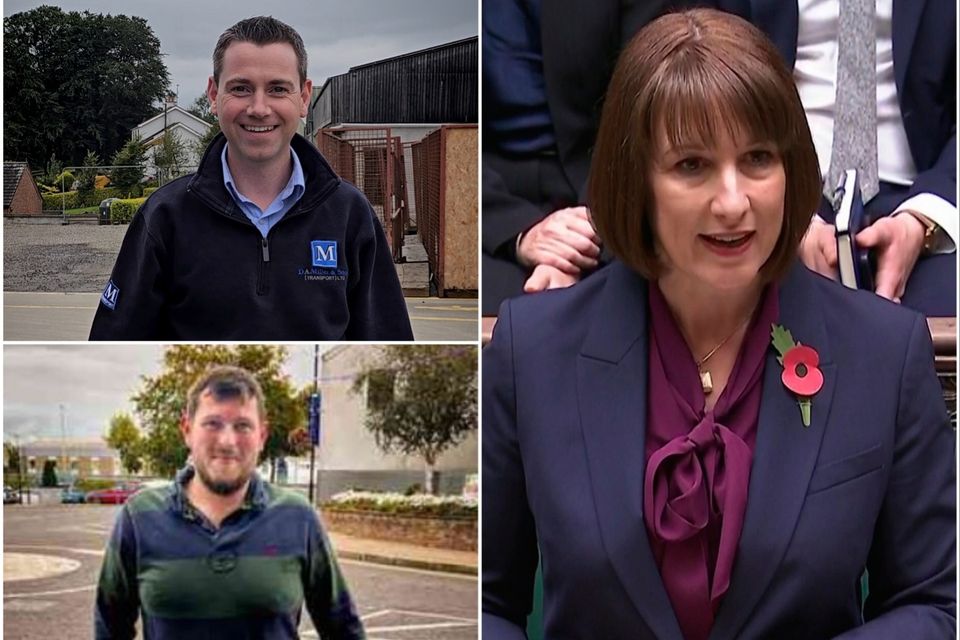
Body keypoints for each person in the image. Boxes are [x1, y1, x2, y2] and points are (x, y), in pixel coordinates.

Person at [483, 10, 954, 640]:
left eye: (758, 159)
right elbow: (485, 603)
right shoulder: (531, 349)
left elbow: (933, 606)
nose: (733, 202)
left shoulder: (886, 351)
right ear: (637, 180)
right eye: (692, 166)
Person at [89, 16, 413, 340]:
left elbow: (389, 354)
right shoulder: (164, 218)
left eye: (277, 89)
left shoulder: (350, 216)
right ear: (214, 95)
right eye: (241, 88)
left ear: (303, 97)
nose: (259, 108)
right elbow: (112, 350)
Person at [713, 0, 956, 316]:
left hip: (929, 196)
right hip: (772, 189)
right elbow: (702, 67)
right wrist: (791, 221)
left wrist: (923, 219)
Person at [94, 366, 365, 639]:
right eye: (212, 423)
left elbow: (342, 627)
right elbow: (109, 627)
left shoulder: (298, 516)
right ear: (187, 430)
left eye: (243, 425)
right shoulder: (138, 517)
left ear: (262, 436)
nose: (227, 441)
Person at [481, 0, 700, 314]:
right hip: (495, 205)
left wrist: (584, 237)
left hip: (617, 183)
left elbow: (651, 106)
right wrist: (518, 230)